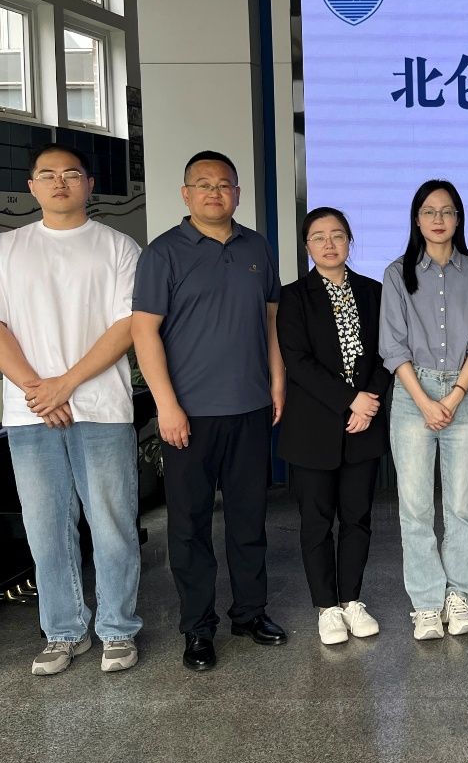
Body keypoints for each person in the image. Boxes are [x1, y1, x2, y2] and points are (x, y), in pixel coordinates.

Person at [132, 150, 288, 672]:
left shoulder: (257, 247)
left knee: (249, 519)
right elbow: (144, 333)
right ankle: (198, 628)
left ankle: (250, 613)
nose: (214, 193)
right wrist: (166, 406)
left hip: (250, 407)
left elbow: (269, 321)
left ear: (237, 194)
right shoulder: (163, 253)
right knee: (189, 526)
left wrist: (277, 381)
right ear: (186, 194)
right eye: (203, 184)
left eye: (224, 185)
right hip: (189, 415)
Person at [0, 144, 142, 675]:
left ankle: (118, 629)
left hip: (101, 407)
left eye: (71, 174)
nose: (60, 183)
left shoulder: (118, 247)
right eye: (48, 175)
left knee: (112, 523)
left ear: (89, 184)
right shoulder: (8, 248)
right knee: (45, 529)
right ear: (31, 186)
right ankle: (63, 631)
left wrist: (65, 385)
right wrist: (38, 389)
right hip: (29, 411)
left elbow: (127, 326)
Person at [380, 180, 468, 642]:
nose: (438, 219)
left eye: (447, 211)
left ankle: (458, 596)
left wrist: (455, 395)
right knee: (415, 507)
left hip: (462, 394)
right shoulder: (396, 274)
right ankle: (426, 604)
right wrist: (426, 401)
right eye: (429, 211)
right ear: (417, 219)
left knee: (461, 506)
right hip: (413, 395)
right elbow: (392, 346)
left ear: (459, 218)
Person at [277, 207, 391, 646]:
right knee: (317, 521)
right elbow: (298, 361)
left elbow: (387, 353)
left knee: (358, 518)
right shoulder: (294, 297)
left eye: (338, 235)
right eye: (319, 237)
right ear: (307, 246)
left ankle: (352, 601)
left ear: (349, 241)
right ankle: (326, 607)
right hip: (313, 427)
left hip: (364, 424)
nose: (329, 244)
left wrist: (369, 402)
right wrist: (350, 400)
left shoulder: (373, 292)